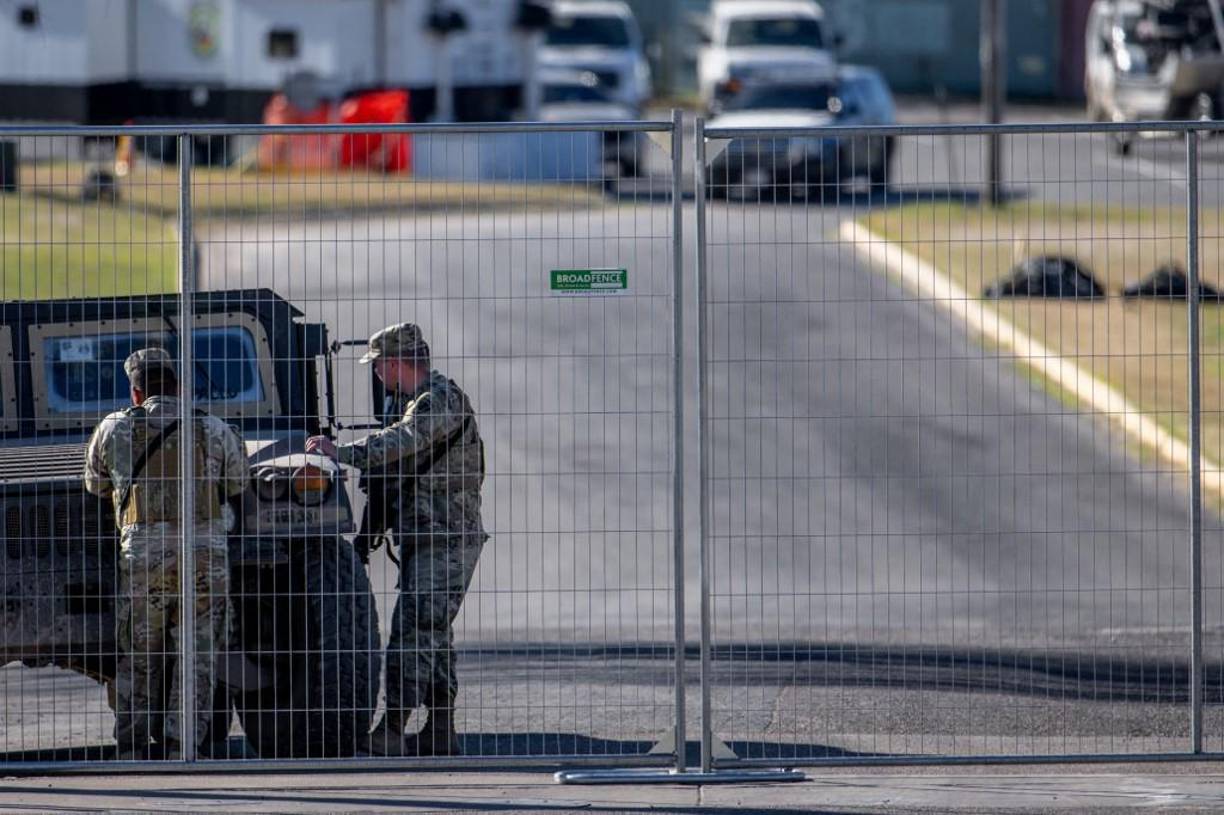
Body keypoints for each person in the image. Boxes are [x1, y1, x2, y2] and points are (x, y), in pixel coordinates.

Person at [306, 323, 486, 757]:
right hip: (431, 536)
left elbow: (404, 442)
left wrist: (341, 453)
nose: (378, 376)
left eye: (379, 367)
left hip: (445, 537)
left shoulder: (438, 399)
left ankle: (392, 728)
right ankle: (441, 729)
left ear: (393, 363)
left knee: (412, 632)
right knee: (434, 633)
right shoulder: (414, 401)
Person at [84, 348, 248, 760]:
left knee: (138, 656)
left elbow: (95, 485)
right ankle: (183, 745)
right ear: (177, 385)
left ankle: (132, 748)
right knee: (198, 656)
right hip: (203, 558)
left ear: (136, 392)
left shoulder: (113, 428)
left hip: (143, 560)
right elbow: (237, 483)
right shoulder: (212, 428)